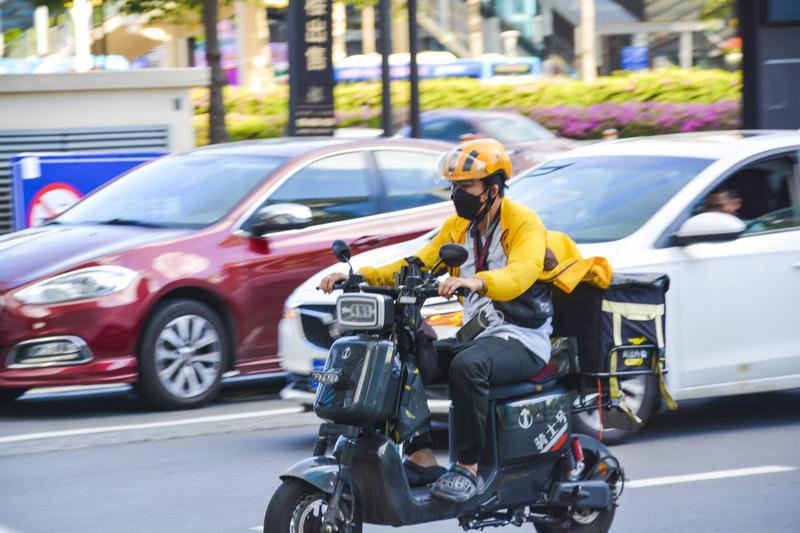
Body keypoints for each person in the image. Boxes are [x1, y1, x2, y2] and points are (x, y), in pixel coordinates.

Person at [320, 138, 552, 503]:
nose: (458, 194)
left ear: (492, 189)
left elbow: (521, 273)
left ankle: (467, 469)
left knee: (467, 365)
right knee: (403, 358)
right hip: (477, 337)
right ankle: (422, 458)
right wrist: (356, 276)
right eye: (455, 187)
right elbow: (416, 263)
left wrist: (476, 281)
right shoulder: (459, 227)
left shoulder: (523, 223)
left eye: (466, 187)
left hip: (522, 339)